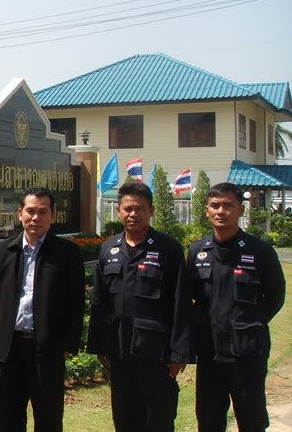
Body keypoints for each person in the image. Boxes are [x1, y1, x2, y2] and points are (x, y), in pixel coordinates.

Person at [87, 181, 191, 432]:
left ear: (151, 211)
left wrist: (179, 352)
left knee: (158, 422)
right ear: (119, 211)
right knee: (124, 421)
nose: (133, 214)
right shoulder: (108, 249)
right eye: (127, 209)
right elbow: (99, 301)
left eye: (140, 209)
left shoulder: (168, 249)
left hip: (156, 355)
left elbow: (181, 301)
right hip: (120, 353)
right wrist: (99, 344)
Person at [0, 185, 85, 432]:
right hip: (8, 349)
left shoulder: (67, 253)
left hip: (48, 350)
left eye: (43, 212)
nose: (35, 218)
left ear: (53, 215)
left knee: (49, 420)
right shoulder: (3, 250)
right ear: (20, 213)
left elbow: (76, 303)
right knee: (8, 421)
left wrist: (68, 345)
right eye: (30, 211)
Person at [188, 183, 285, 432]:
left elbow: (275, 296)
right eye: (215, 206)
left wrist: (250, 323)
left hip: (247, 353)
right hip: (209, 352)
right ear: (207, 210)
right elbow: (190, 297)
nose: (221, 211)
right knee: (208, 421)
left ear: (241, 210)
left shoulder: (260, 251)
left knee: (251, 420)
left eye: (228, 205)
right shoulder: (197, 252)